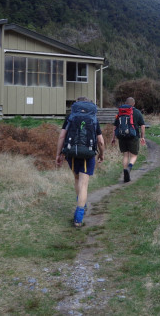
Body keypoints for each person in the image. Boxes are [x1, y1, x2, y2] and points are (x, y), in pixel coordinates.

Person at [55, 97, 105, 227]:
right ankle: (78, 217)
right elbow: (100, 141)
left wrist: (58, 154)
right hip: (87, 154)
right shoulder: (93, 118)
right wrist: (102, 154)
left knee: (77, 179)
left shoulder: (71, 117)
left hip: (71, 153)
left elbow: (62, 136)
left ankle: (80, 203)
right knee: (84, 184)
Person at [111, 97, 146, 182]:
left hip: (122, 136)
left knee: (126, 155)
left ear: (126, 103)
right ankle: (129, 168)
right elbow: (142, 126)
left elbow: (115, 127)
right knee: (134, 155)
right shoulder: (137, 112)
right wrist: (142, 137)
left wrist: (113, 138)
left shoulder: (120, 112)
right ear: (134, 104)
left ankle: (125, 174)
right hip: (133, 137)